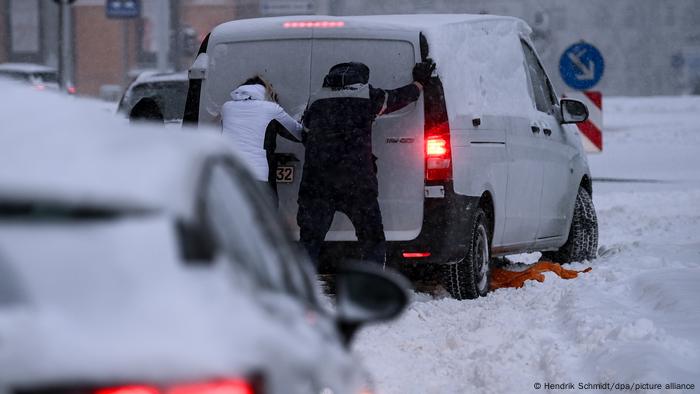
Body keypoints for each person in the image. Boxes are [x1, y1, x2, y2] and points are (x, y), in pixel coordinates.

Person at [297, 59, 436, 267]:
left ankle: (298, 290)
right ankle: (372, 286)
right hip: (356, 181)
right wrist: (419, 83)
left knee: (310, 240)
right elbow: (399, 98)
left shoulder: (316, 100)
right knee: (371, 237)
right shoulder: (367, 97)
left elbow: (304, 133)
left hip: (317, 182)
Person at [221, 76, 303, 198]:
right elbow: (297, 134)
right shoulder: (271, 109)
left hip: (228, 176)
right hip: (257, 178)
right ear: (265, 92)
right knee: (264, 215)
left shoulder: (226, 107)